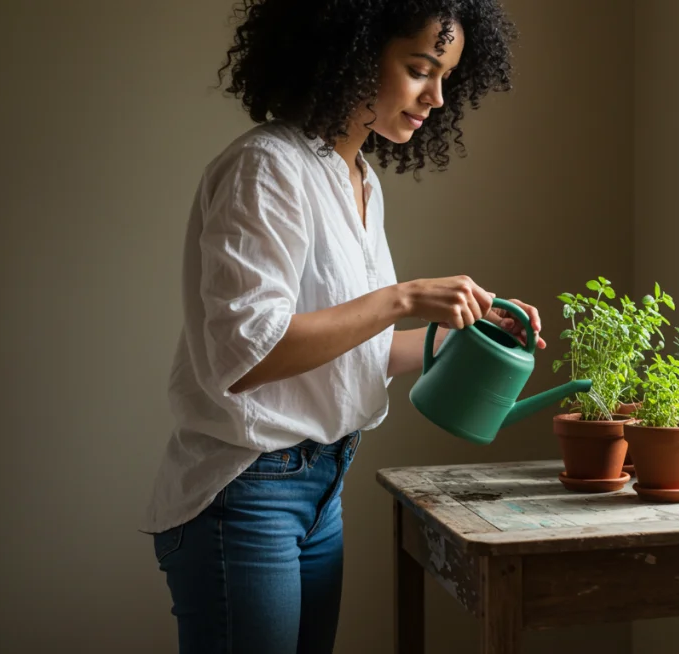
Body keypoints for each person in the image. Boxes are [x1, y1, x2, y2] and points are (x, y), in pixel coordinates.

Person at [140, 1, 538, 652]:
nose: (437, 96)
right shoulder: (267, 168)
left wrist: (468, 332)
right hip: (248, 493)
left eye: (446, 78)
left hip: (323, 488)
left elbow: (357, 351)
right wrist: (402, 298)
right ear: (352, 53)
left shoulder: (359, 180)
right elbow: (245, 354)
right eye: (419, 69)